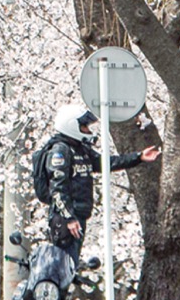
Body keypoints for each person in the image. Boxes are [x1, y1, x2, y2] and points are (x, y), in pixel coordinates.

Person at [39, 103, 160, 264]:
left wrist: (138, 157)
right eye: (84, 126)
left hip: (79, 216)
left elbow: (105, 162)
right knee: (64, 265)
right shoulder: (60, 152)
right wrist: (69, 218)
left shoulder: (81, 149)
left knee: (71, 265)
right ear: (72, 126)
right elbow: (57, 189)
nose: (88, 131)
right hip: (66, 221)